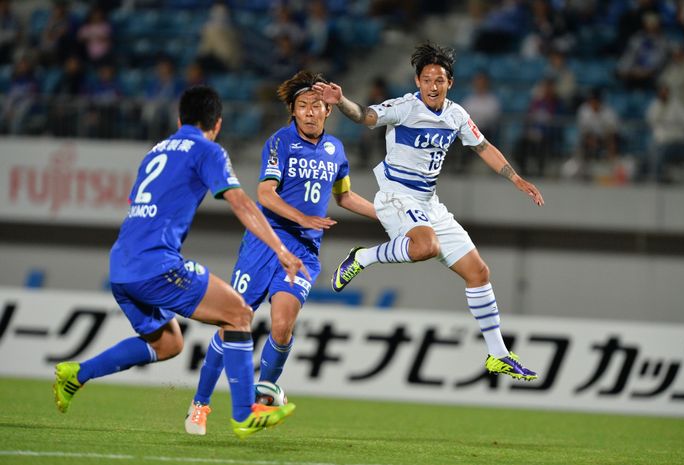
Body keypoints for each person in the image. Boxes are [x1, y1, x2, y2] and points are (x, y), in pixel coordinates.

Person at [52, 85, 303, 439]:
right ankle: (245, 413)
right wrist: (280, 248)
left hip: (122, 266)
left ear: (179, 118)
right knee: (239, 313)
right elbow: (242, 203)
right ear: (217, 123)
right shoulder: (208, 149)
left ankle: (75, 374)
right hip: (156, 264)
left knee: (168, 344)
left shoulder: (155, 151)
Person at [314, 42, 544, 381]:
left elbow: (483, 147)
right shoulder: (405, 108)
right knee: (425, 246)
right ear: (417, 82)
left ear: (449, 82)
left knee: (478, 273)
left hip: (428, 204)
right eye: (426, 80)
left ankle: (498, 355)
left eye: (439, 80)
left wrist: (516, 178)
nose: (432, 86)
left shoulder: (456, 115)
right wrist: (341, 101)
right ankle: (362, 258)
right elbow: (366, 116)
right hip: (397, 196)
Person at [184, 71, 377, 435]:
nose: (309, 112)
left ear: (327, 111)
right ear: (292, 111)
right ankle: (200, 404)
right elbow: (267, 194)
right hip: (264, 243)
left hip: (304, 250)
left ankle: (262, 396)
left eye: (316, 106)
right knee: (233, 322)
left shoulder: (336, 150)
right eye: (302, 106)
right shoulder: (279, 143)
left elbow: (344, 196)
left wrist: (385, 213)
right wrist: (304, 216)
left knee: (283, 326)